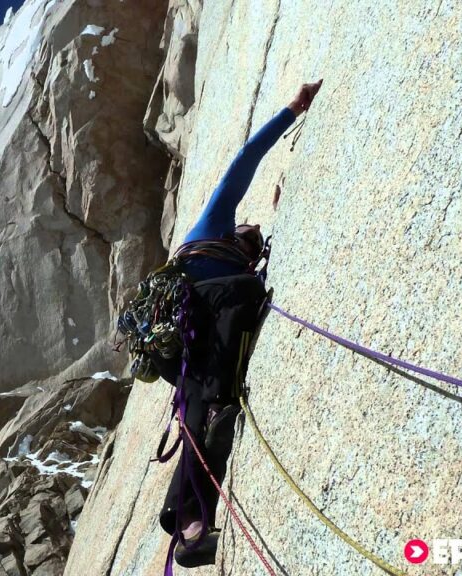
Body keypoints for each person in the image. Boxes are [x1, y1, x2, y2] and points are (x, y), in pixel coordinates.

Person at [154, 80, 323, 568]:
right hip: (199, 322)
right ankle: (188, 518)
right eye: (253, 233)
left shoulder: (234, 263)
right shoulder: (212, 229)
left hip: (188, 347)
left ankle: (190, 530)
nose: (256, 237)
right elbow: (244, 161)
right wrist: (292, 109)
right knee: (212, 403)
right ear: (237, 229)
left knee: (202, 418)